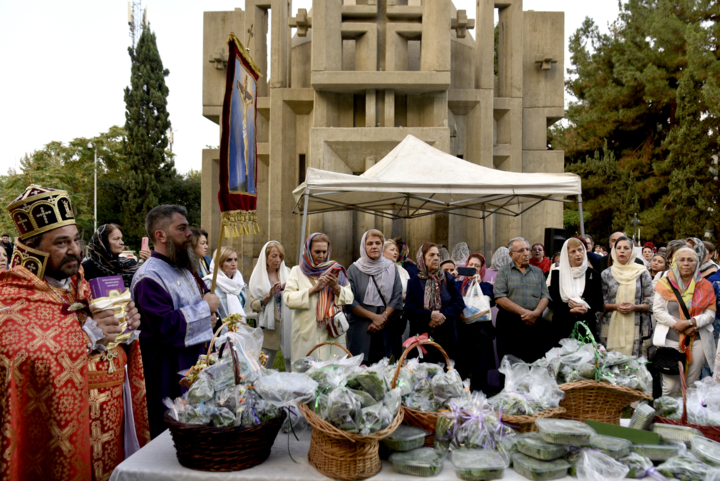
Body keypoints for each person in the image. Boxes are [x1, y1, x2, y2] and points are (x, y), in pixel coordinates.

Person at [0, 185, 149, 480]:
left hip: (109, 427)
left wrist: (125, 330)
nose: (75, 251)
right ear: (31, 249)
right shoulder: (11, 295)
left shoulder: (82, 288)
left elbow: (107, 341)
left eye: (76, 240)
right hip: (55, 429)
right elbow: (21, 353)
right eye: (61, 243)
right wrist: (87, 336)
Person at [131, 205, 219, 438]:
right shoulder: (149, 277)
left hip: (193, 362)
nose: (189, 233)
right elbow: (163, 327)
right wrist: (205, 309)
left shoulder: (183, 267)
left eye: (187, 227)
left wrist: (209, 317)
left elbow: (197, 303)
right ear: (161, 235)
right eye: (181, 228)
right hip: (168, 371)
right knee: (172, 433)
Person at [653, 247, 716, 395]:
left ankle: (685, 417)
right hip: (671, 340)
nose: (686, 263)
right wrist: (679, 326)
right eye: (682, 260)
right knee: (670, 387)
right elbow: (658, 310)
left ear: (697, 263)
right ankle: (667, 417)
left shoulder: (705, 285)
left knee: (690, 385)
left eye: (690, 260)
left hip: (697, 340)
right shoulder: (664, 283)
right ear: (675, 262)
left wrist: (689, 323)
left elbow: (710, 314)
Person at [284, 233, 354, 365]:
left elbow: (349, 297)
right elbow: (288, 298)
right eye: (317, 251)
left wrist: (336, 287)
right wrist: (313, 289)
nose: (321, 256)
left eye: (324, 251)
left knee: (331, 373)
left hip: (331, 332)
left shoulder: (336, 271)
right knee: (306, 373)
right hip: (306, 333)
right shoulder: (297, 271)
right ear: (308, 251)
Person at [346, 230, 403, 363]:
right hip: (362, 329)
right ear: (363, 246)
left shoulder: (391, 268)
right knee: (361, 372)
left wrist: (383, 318)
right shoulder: (353, 270)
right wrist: (374, 317)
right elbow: (349, 301)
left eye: (378, 243)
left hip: (386, 328)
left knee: (385, 370)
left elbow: (397, 296)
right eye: (369, 243)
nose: (374, 246)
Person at [404, 242, 465, 365]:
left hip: (447, 338)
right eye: (431, 255)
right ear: (422, 258)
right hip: (422, 340)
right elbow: (409, 310)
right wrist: (429, 315)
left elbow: (458, 304)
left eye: (437, 255)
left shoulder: (448, 279)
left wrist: (441, 316)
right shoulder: (414, 282)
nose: (436, 258)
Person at [494, 238, 552, 363]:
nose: (526, 253)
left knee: (534, 362)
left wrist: (535, 313)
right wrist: (525, 313)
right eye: (521, 250)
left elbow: (545, 296)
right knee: (509, 364)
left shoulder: (537, 272)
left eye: (527, 249)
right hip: (509, 323)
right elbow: (500, 297)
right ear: (511, 254)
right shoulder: (504, 271)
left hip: (534, 323)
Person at [599, 236, 654, 357]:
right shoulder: (606, 274)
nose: (622, 251)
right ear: (614, 251)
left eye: (626, 248)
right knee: (611, 367)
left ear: (632, 251)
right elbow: (600, 304)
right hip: (611, 327)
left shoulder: (642, 273)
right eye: (618, 248)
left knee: (634, 368)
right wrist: (615, 306)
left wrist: (635, 307)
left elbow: (651, 302)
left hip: (636, 328)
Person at [547, 238, 603, 341]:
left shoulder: (593, 274)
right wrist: (570, 309)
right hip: (563, 326)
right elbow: (552, 300)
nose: (578, 254)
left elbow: (599, 302)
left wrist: (586, 308)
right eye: (573, 251)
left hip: (586, 327)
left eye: (580, 250)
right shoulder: (557, 275)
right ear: (566, 255)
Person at [249, 241, 292, 372]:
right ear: (265, 257)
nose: (277, 260)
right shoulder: (258, 276)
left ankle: (294, 386)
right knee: (264, 364)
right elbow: (253, 304)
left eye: (280, 256)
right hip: (269, 324)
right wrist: (269, 295)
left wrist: (288, 289)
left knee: (291, 359)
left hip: (288, 321)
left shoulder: (288, 273)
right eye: (274, 256)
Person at [456, 253, 496, 392]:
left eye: (477, 266)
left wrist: (478, 283)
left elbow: (490, 301)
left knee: (480, 370)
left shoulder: (485, 286)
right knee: (461, 369)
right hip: (461, 333)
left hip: (481, 335)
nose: (473, 268)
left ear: (482, 269)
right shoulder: (457, 284)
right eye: (470, 265)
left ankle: (480, 401)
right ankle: (461, 400)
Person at [82, 223, 151, 288]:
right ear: (103, 242)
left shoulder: (129, 264)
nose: (122, 243)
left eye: (121, 239)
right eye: (116, 239)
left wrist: (149, 261)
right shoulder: (86, 267)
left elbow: (148, 283)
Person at [204, 246, 248, 323]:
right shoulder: (210, 283)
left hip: (240, 329)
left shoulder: (239, 283)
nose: (234, 263)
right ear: (219, 263)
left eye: (235, 259)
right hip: (221, 331)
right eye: (229, 260)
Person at [384, 239, 411, 346]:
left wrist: (405, 297)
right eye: (392, 250)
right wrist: (401, 297)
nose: (396, 253)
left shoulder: (402, 270)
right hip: (385, 315)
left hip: (401, 315)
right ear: (382, 252)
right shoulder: (379, 270)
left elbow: (410, 289)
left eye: (396, 250)